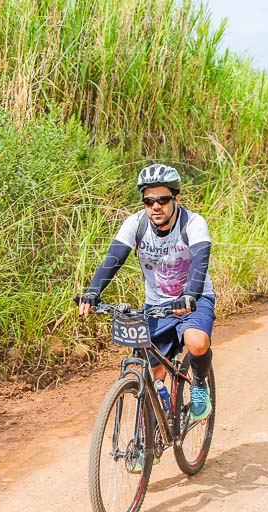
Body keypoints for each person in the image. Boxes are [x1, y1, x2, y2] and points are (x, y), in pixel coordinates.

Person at [79, 163, 216, 428]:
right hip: (156, 305)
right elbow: (113, 259)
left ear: (176, 198)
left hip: (194, 299)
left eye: (163, 199)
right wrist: (92, 293)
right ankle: (151, 430)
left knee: (196, 342)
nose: (156, 206)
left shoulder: (194, 223)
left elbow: (200, 262)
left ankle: (199, 386)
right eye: (149, 200)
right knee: (151, 370)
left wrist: (190, 296)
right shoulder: (136, 223)